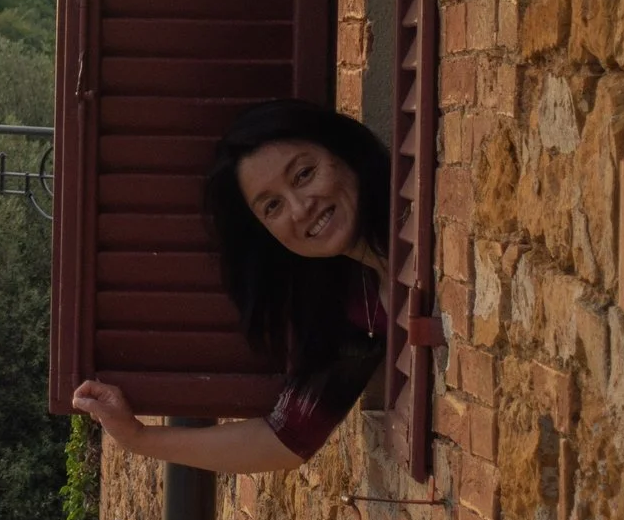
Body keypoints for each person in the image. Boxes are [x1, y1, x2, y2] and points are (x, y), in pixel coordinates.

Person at [68, 99, 391, 474]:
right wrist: (137, 437)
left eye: (304, 174)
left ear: (342, 150)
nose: (300, 208)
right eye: (272, 206)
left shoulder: (421, 217)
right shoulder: (357, 305)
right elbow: (284, 438)